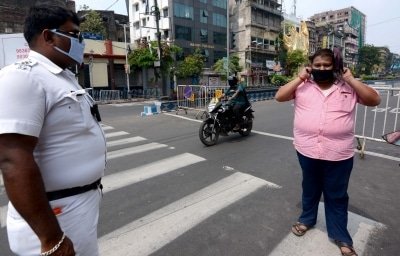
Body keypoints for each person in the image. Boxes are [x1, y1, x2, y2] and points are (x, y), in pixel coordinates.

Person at [0, 5, 106, 256]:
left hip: (78, 206)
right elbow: (12, 159)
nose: (80, 42)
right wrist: (51, 238)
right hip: (55, 213)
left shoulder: (62, 77)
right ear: (48, 36)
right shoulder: (23, 77)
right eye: (74, 35)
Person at [275, 48, 380, 256]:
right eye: (317, 65)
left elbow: (374, 100)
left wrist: (350, 78)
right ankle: (307, 219)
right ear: (311, 67)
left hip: (339, 153)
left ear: (335, 67)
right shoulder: (303, 86)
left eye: (327, 65)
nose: (322, 69)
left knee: (337, 194)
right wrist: (299, 77)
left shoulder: (347, 87)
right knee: (310, 187)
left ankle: (340, 235)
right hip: (307, 150)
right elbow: (280, 96)